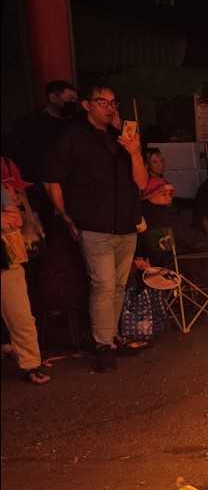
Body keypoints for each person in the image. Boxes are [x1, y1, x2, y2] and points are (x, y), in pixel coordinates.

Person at [43, 84, 148, 373]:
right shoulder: (72, 138)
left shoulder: (122, 140)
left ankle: (110, 337)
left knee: (117, 286)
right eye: (103, 102)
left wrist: (136, 153)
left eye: (114, 102)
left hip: (126, 223)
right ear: (87, 105)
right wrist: (65, 215)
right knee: (102, 284)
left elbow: (141, 183)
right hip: (93, 224)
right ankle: (104, 347)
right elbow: (52, 180)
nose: (110, 107)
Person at [2, 167, 48, 384]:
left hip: (6, 260)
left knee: (21, 316)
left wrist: (6, 215)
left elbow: (16, 220)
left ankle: (31, 364)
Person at [9, 79, 77, 213]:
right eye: (69, 99)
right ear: (53, 97)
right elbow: (24, 155)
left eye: (74, 100)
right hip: (40, 184)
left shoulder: (74, 123)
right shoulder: (31, 122)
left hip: (70, 185)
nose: (72, 103)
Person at [139, 177, 208, 254]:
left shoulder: (142, 214)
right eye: (163, 194)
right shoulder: (165, 214)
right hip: (176, 259)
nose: (169, 198)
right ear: (149, 196)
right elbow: (189, 236)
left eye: (170, 194)